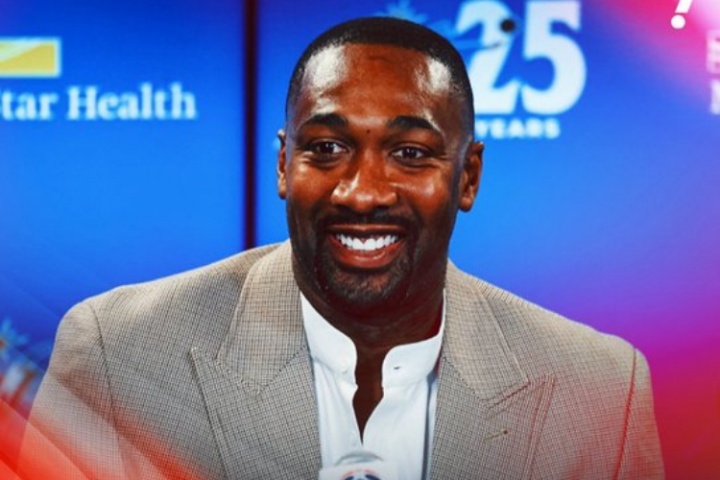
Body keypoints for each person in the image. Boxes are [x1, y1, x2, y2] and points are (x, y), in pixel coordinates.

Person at [18, 17, 664, 479]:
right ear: (283, 165)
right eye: (326, 148)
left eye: (410, 153)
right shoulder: (116, 355)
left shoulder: (601, 389)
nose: (362, 192)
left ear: (467, 177)